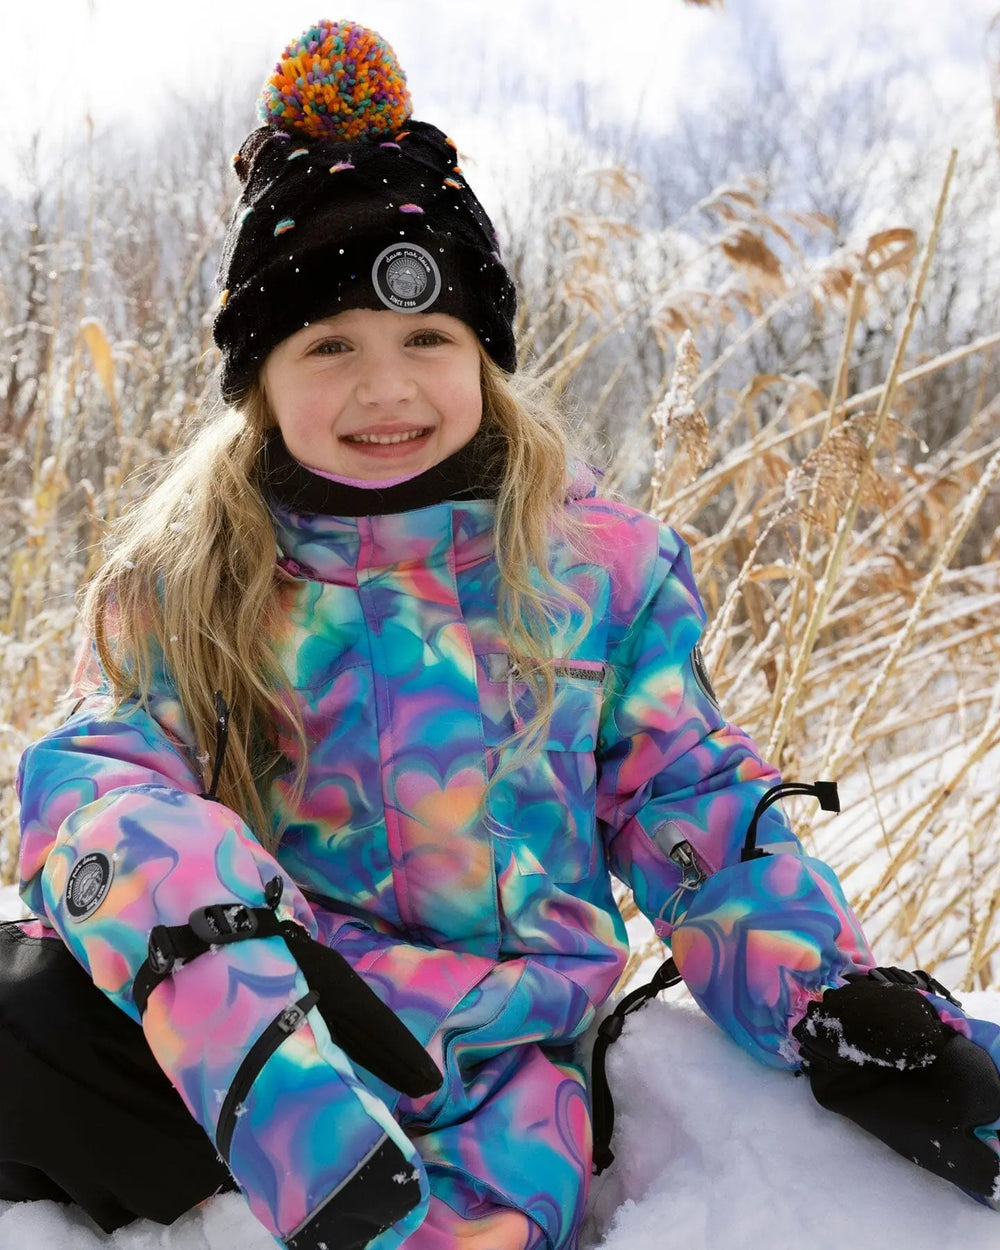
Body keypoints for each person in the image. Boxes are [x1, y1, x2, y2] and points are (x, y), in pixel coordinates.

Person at [2, 19, 998, 1250]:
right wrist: (222, 963)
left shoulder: (595, 572)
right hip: (255, 1040)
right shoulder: (192, 583)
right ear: (260, 381)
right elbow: (95, 785)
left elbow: (686, 802)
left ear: (487, 355)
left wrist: (828, 995)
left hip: (492, 1070)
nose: (387, 388)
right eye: (328, 347)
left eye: (429, 337)